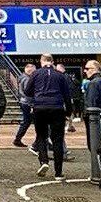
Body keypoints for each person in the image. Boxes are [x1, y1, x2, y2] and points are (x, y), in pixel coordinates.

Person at [24, 53, 73, 181]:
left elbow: (27, 91)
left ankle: (44, 161)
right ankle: (58, 172)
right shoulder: (60, 75)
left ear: (42, 61)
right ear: (52, 62)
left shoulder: (36, 73)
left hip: (39, 107)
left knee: (41, 136)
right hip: (57, 108)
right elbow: (67, 95)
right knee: (57, 139)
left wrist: (37, 93)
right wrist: (69, 111)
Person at [12, 61, 36, 147]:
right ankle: (18, 139)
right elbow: (28, 93)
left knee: (27, 121)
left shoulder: (22, 77)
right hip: (27, 103)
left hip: (23, 101)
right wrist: (32, 104)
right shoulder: (27, 79)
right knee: (29, 121)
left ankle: (18, 139)